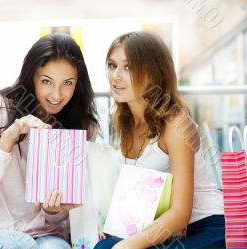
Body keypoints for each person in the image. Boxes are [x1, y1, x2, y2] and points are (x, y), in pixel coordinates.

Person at [0, 32, 99, 249]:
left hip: (44, 236)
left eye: (67, 83)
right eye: (46, 81)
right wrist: (9, 136)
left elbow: (60, 218)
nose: (56, 94)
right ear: (31, 77)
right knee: (20, 245)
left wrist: (53, 210)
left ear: (78, 83)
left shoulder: (82, 127)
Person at [94, 31, 225, 249]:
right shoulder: (124, 123)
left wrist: (126, 246)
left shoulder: (176, 123)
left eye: (129, 67)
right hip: (165, 231)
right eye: (112, 65)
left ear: (153, 73)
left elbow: (181, 214)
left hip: (205, 225)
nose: (116, 76)